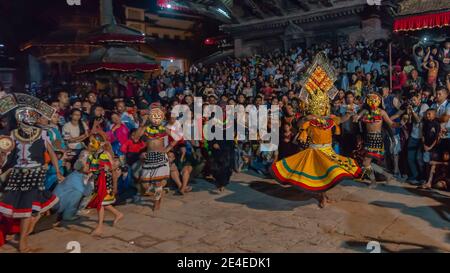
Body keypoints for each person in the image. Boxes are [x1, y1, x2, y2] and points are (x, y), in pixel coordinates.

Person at [272, 54, 361, 208]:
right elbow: (299, 124)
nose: (322, 108)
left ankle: (324, 196)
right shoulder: (310, 120)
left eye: (323, 106)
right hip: (314, 152)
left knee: (329, 175)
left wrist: (349, 113)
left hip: (328, 151)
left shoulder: (329, 119)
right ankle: (322, 198)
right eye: (319, 107)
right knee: (319, 177)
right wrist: (307, 118)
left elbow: (341, 119)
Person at [0, 95, 63, 252]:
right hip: (17, 175)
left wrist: (57, 171)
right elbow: (6, 154)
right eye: (24, 116)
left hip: (35, 175)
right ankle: (22, 241)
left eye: (29, 116)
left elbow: (52, 154)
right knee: (23, 210)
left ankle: (22, 240)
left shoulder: (42, 134)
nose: (27, 119)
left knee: (31, 210)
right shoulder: (13, 135)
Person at [353, 93, 401, 187]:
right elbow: (356, 118)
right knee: (368, 163)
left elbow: (391, 124)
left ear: (379, 101)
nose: (373, 101)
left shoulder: (382, 112)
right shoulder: (365, 111)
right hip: (368, 139)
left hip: (377, 139)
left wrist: (401, 123)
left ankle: (374, 182)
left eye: (375, 99)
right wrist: (355, 117)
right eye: (370, 99)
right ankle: (387, 176)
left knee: (366, 162)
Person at [85, 134, 123, 236]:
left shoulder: (106, 154)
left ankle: (99, 227)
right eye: (90, 142)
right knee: (102, 202)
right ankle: (118, 214)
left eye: (93, 142)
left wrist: (115, 185)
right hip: (97, 182)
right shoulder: (91, 155)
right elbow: (86, 169)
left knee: (101, 203)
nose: (91, 144)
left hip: (106, 182)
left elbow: (113, 169)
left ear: (100, 143)